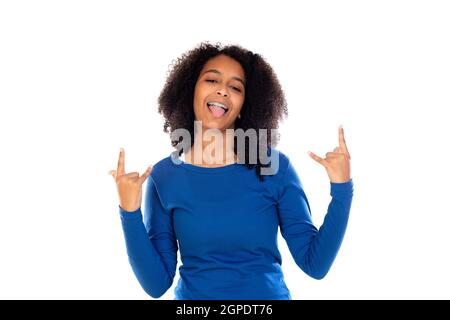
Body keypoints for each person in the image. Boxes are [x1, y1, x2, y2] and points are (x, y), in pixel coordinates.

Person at [109, 42, 354, 300]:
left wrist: (342, 189)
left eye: (235, 87)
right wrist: (129, 212)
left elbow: (315, 264)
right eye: (212, 80)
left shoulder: (274, 167)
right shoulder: (163, 177)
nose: (223, 90)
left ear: (243, 106)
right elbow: (156, 285)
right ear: (190, 91)